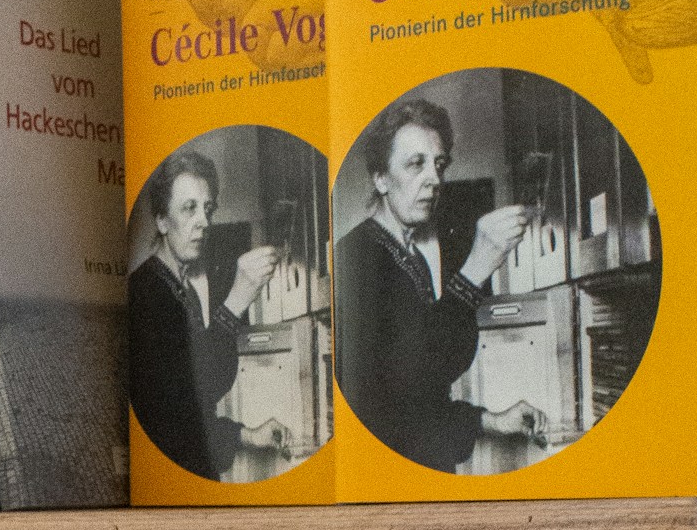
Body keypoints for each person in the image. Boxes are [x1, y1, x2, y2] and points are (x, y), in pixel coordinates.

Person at [334, 95, 545, 474]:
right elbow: (403, 385)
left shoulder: (410, 253)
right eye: (415, 164)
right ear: (380, 178)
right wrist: (474, 271)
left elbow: (419, 398)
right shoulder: (356, 258)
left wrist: (491, 420)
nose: (433, 178)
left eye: (439, 163)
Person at [128, 147, 291, 481]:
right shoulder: (143, 294)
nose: (203, 220)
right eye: (189, 208)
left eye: (207, 208)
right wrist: (237, 300)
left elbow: (191, 413)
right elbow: (197, 391)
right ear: (161, 220)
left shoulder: (182, 289)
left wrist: (249, 435)